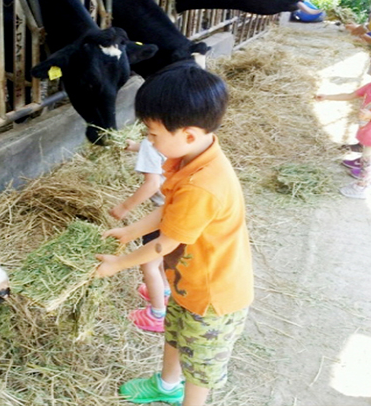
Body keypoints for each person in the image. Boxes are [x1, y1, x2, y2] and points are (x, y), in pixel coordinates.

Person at [95, 61, 254, 406]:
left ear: (189, 134)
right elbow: (171, 211)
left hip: (212, 297)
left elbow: (164, 244)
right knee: (174, 336)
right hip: (187, 282)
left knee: (199, 368)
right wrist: (132, 229)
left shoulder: (203, 185)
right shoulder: (192, 157)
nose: (148, 141)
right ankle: (167, 386)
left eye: (152, 134)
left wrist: (117, 264)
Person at [316, 46, 371, 198]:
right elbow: (351, 95)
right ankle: (366, 182)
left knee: (368, 159)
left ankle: (363, 186)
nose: (369, 71)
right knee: (367, 158)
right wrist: (327, 97)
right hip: (370, 131)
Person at [109, 138, 170, 333]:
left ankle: (157, 314)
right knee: (162, 258)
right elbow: (152, 146)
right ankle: (165, 292)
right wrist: (136, 146)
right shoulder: (175, 137)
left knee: (149, 263)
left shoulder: (152, 144)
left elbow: (151, 185)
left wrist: (124, 207)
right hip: (173, 209)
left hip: (163, 214)